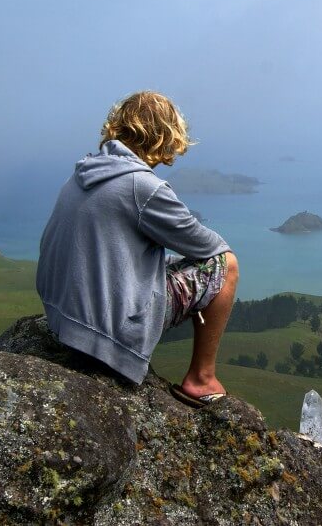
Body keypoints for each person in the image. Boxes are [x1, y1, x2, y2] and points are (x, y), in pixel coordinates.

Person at [36, 90, 238, 408]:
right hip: (105, 334)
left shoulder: (82, 173)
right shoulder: (142, 187)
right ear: (164, 136)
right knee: (226, 265)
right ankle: (201, 379)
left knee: (173, 261)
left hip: (63, 321)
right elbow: (209, 247)